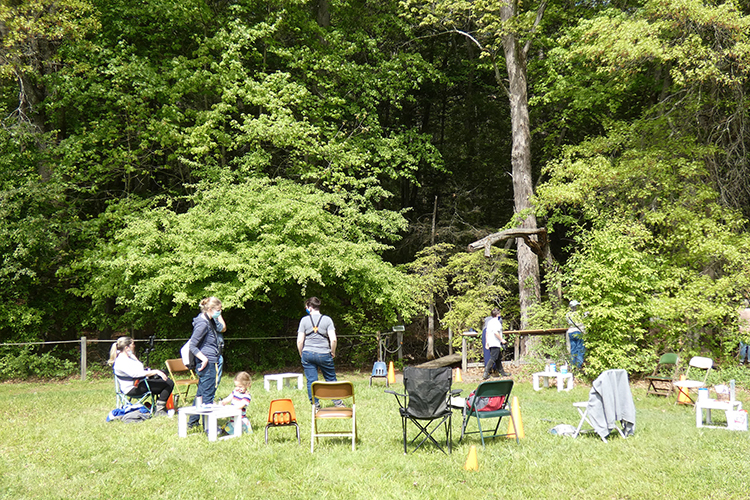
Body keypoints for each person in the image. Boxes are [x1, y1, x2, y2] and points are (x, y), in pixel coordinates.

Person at [109, 336, 174, 416]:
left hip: (139, 383)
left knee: (165, 380)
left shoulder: (129, 358)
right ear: (127, 347)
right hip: (132, 388)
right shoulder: (121, 361)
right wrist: (155, 371)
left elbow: (140, 368)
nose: (134, 346)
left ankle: (158, 407)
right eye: (132, 344)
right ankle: (160, 409)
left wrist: (133, 356)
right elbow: (136, 374)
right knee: (168, 383)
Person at [297, 296, 342, 408]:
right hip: (324, 353)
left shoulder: (304, 320)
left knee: (312, 381)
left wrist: (301, 353)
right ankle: (337, 403)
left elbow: (300, 341)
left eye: (306, 307)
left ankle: (315, 405)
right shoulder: (327, 320)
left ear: (310, 307)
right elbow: (333, 339)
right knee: (331, 378)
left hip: (307, 353)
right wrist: (332, 352)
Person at [187, 296, 224, 429]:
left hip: (210, 360)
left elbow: (222, 328)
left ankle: (192, 423)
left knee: (201, 394)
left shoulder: (209, 320)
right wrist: (204, 358)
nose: (219, 312)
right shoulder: (202, 323)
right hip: (207, 363)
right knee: (208, 395)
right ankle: (209, 428)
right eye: (218, 310)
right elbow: (192, 345)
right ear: (209, 309)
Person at [483, 308, 509, 379]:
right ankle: (486, 372)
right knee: (493, 358)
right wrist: (501, 340)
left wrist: (487, 342)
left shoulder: (490, 322)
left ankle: (502, 372)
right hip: (495, 342)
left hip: (491, 342)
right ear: (498, 314)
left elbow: (487, 333)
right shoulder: (496, 322)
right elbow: (496, 332)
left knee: (498, 358)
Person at [567, 300, 587, 368]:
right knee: (580, 350)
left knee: (573, 350)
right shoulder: (580, 314)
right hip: (579, 332)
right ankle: (578, 367)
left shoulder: (568, 314)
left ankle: (572, 366)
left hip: (570, 332)